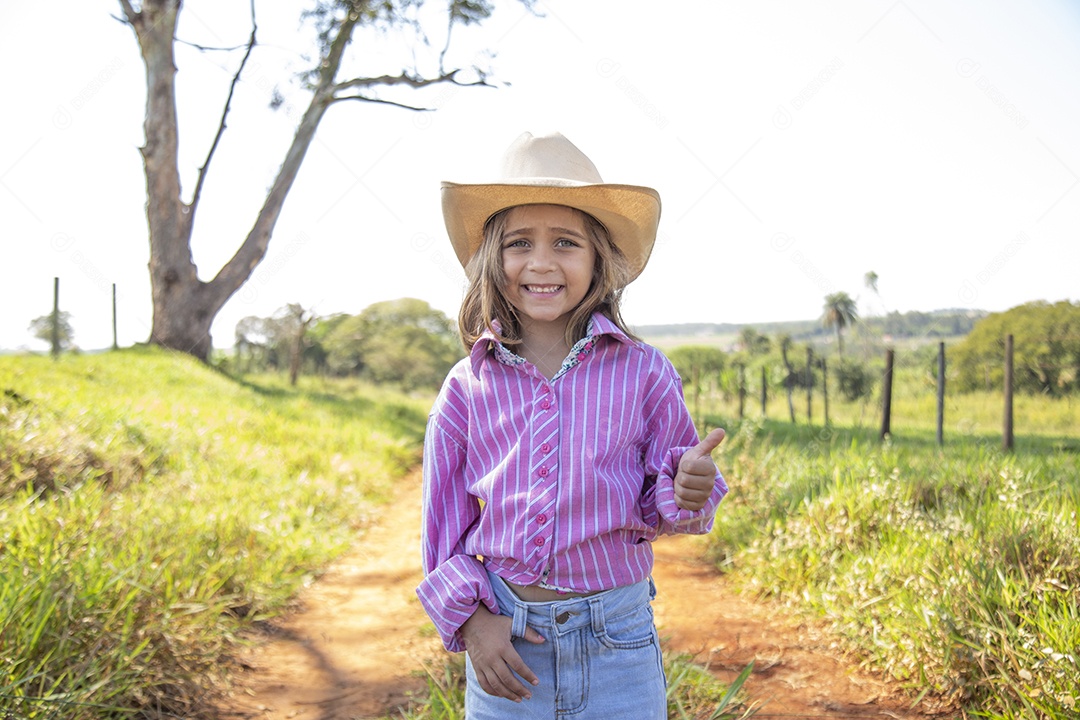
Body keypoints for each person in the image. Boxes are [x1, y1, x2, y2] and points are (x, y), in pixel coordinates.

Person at [416, 130, 728, 719]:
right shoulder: (467, 386)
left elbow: (675, 499)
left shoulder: (644, 372)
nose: (541, 262)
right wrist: (475, 622)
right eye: (519, 243)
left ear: (597, 260)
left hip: (620, 644)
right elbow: (442, 524)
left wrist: (688, 486)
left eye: (565, 242)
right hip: (509, 644)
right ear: (491, 258)